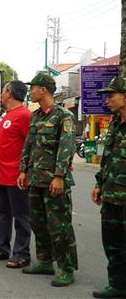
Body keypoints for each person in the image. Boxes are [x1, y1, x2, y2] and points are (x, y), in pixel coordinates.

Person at [18, 73, 77, 287]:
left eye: (32, 88)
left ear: (43, 89)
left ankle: (66, 268)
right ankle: (44, 261)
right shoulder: (36, 116)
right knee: (38, 223)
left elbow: (67, 147)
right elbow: (29, 145)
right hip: (36, 179)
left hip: (54, 181)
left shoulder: (63, 115)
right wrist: (23, 170)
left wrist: (60, 176)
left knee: (59, 227)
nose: (30, 91)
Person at [0, 81, 32, 268]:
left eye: (4, 90)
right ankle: (2, 248)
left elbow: (30, 146)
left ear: (10, 94)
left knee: (21, 215)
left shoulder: (25, 115)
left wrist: (25, 171)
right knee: (2, 213)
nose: (1, 93)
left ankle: (22, 253)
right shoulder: (6, 115)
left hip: (15, 175)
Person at [91, 76, 126, 299]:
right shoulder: (115, 123)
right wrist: (98, 184)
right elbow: (107, 158)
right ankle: (118, 286)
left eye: (111, 95)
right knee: (112, 243)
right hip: (112, 195)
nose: (107, 100)